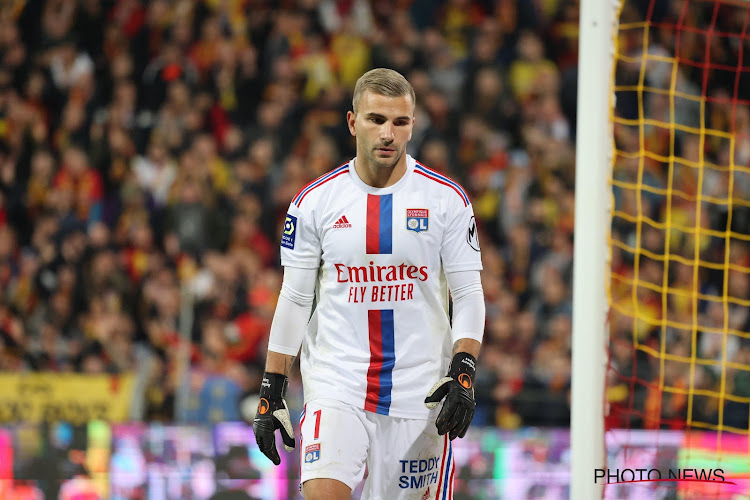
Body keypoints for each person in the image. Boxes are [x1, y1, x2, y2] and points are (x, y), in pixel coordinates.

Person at [246, 68, 485, 499]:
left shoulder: (446, 200)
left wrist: (464, 370)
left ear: (413, 125)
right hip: (337, 386)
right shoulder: (314, 202)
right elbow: (296, 298)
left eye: (401, 121)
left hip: (420, 396)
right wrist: (272, 387)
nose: (388, 133)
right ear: (353, 122)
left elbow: (468, 294)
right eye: (376, 119)